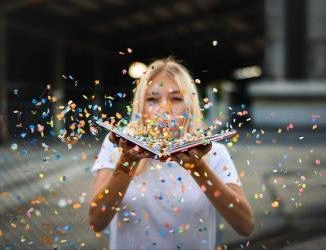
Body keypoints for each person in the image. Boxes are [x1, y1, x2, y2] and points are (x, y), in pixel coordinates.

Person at [89, 56, 254, 250]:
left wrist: (197, 167)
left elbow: (245, 226)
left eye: (176, 98)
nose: (164, 109)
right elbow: (96, 222)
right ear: (140, 107)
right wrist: (128, 160)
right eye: (152, 99)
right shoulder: (116, 147)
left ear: (190, 105)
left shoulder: (215, 153)